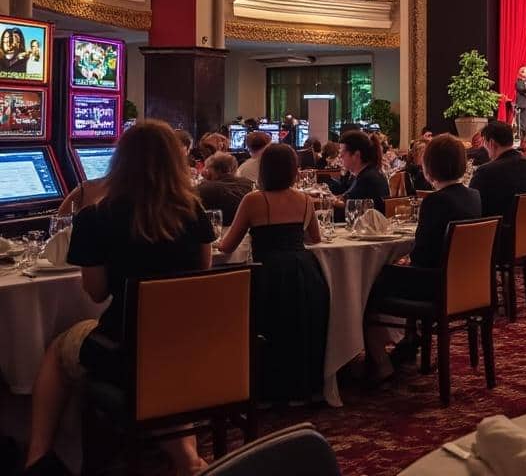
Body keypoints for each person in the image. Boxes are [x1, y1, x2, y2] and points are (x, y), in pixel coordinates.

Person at [24, 121, 214, 475]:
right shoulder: (195, 212)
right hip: (191, 343)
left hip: (128, 346)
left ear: (120, 161)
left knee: (59, 347)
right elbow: (200, 277)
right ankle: (186, 459)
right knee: (155, 362)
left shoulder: (96, 217)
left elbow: (95, 293)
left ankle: (38, 457)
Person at [216, 144, 328, 403]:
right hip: (304, 271)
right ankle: (304, 388)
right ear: (293, 171)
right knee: (300, 329)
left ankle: (269, 389)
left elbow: (228, 245)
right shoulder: (304, 200)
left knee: (270, 331)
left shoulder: (254, 200)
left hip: (269, 274)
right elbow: (315, 238)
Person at [364, 135, 481, 382]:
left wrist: (402, 263)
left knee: (367, 286)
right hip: (466, 283)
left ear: (428, 168)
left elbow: (422, 255)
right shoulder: (473, 196)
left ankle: (380, 362)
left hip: (435, 286)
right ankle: (409, 338)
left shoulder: (435, 202)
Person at [469, 120, 526, 227]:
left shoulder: (485, 171)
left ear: (491, 143)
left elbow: (473, 207)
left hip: (496, 234)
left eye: (484, 143)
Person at [335, 130, 389, 214]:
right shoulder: (367, 173)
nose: (340, 156)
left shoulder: (368, 179)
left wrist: (327, 202)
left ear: (356, 155)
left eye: (342, 152)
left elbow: (349, 209)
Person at [197, 152, 255, 227]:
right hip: (245, 232)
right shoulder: (250, 184)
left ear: (210, 171)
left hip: (218, 232)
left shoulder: (204, 189)